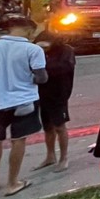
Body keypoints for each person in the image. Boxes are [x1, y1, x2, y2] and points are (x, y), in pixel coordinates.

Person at [0, 15, 47, 195]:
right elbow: (42, 78)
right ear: (28, 29)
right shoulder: (33, 50)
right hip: (24, 102)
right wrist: (26, 77)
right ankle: (13, 183)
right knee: (18, 140)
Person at [33, 31, 76, 172]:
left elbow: (64, 68)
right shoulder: (37, 51)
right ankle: (50, 156)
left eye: (45, 47)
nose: (43, 50)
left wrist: (41, 69)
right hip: (41, 93)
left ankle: (64, 158)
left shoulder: (66, 51)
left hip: (59, 94)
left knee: (60, 126)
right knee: (47, 128)